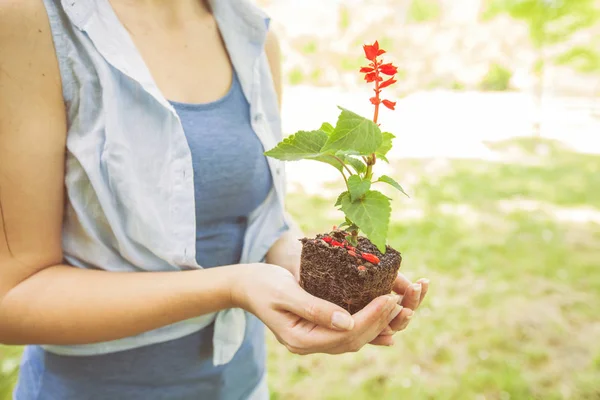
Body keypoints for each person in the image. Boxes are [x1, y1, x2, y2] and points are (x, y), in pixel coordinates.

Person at [0, 0, 430, 398]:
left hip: (242, 385)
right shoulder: (32, 21)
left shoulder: (252, 35)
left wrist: (316, 277)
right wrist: (233, 285)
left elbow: (257, 220)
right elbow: (12, 297)